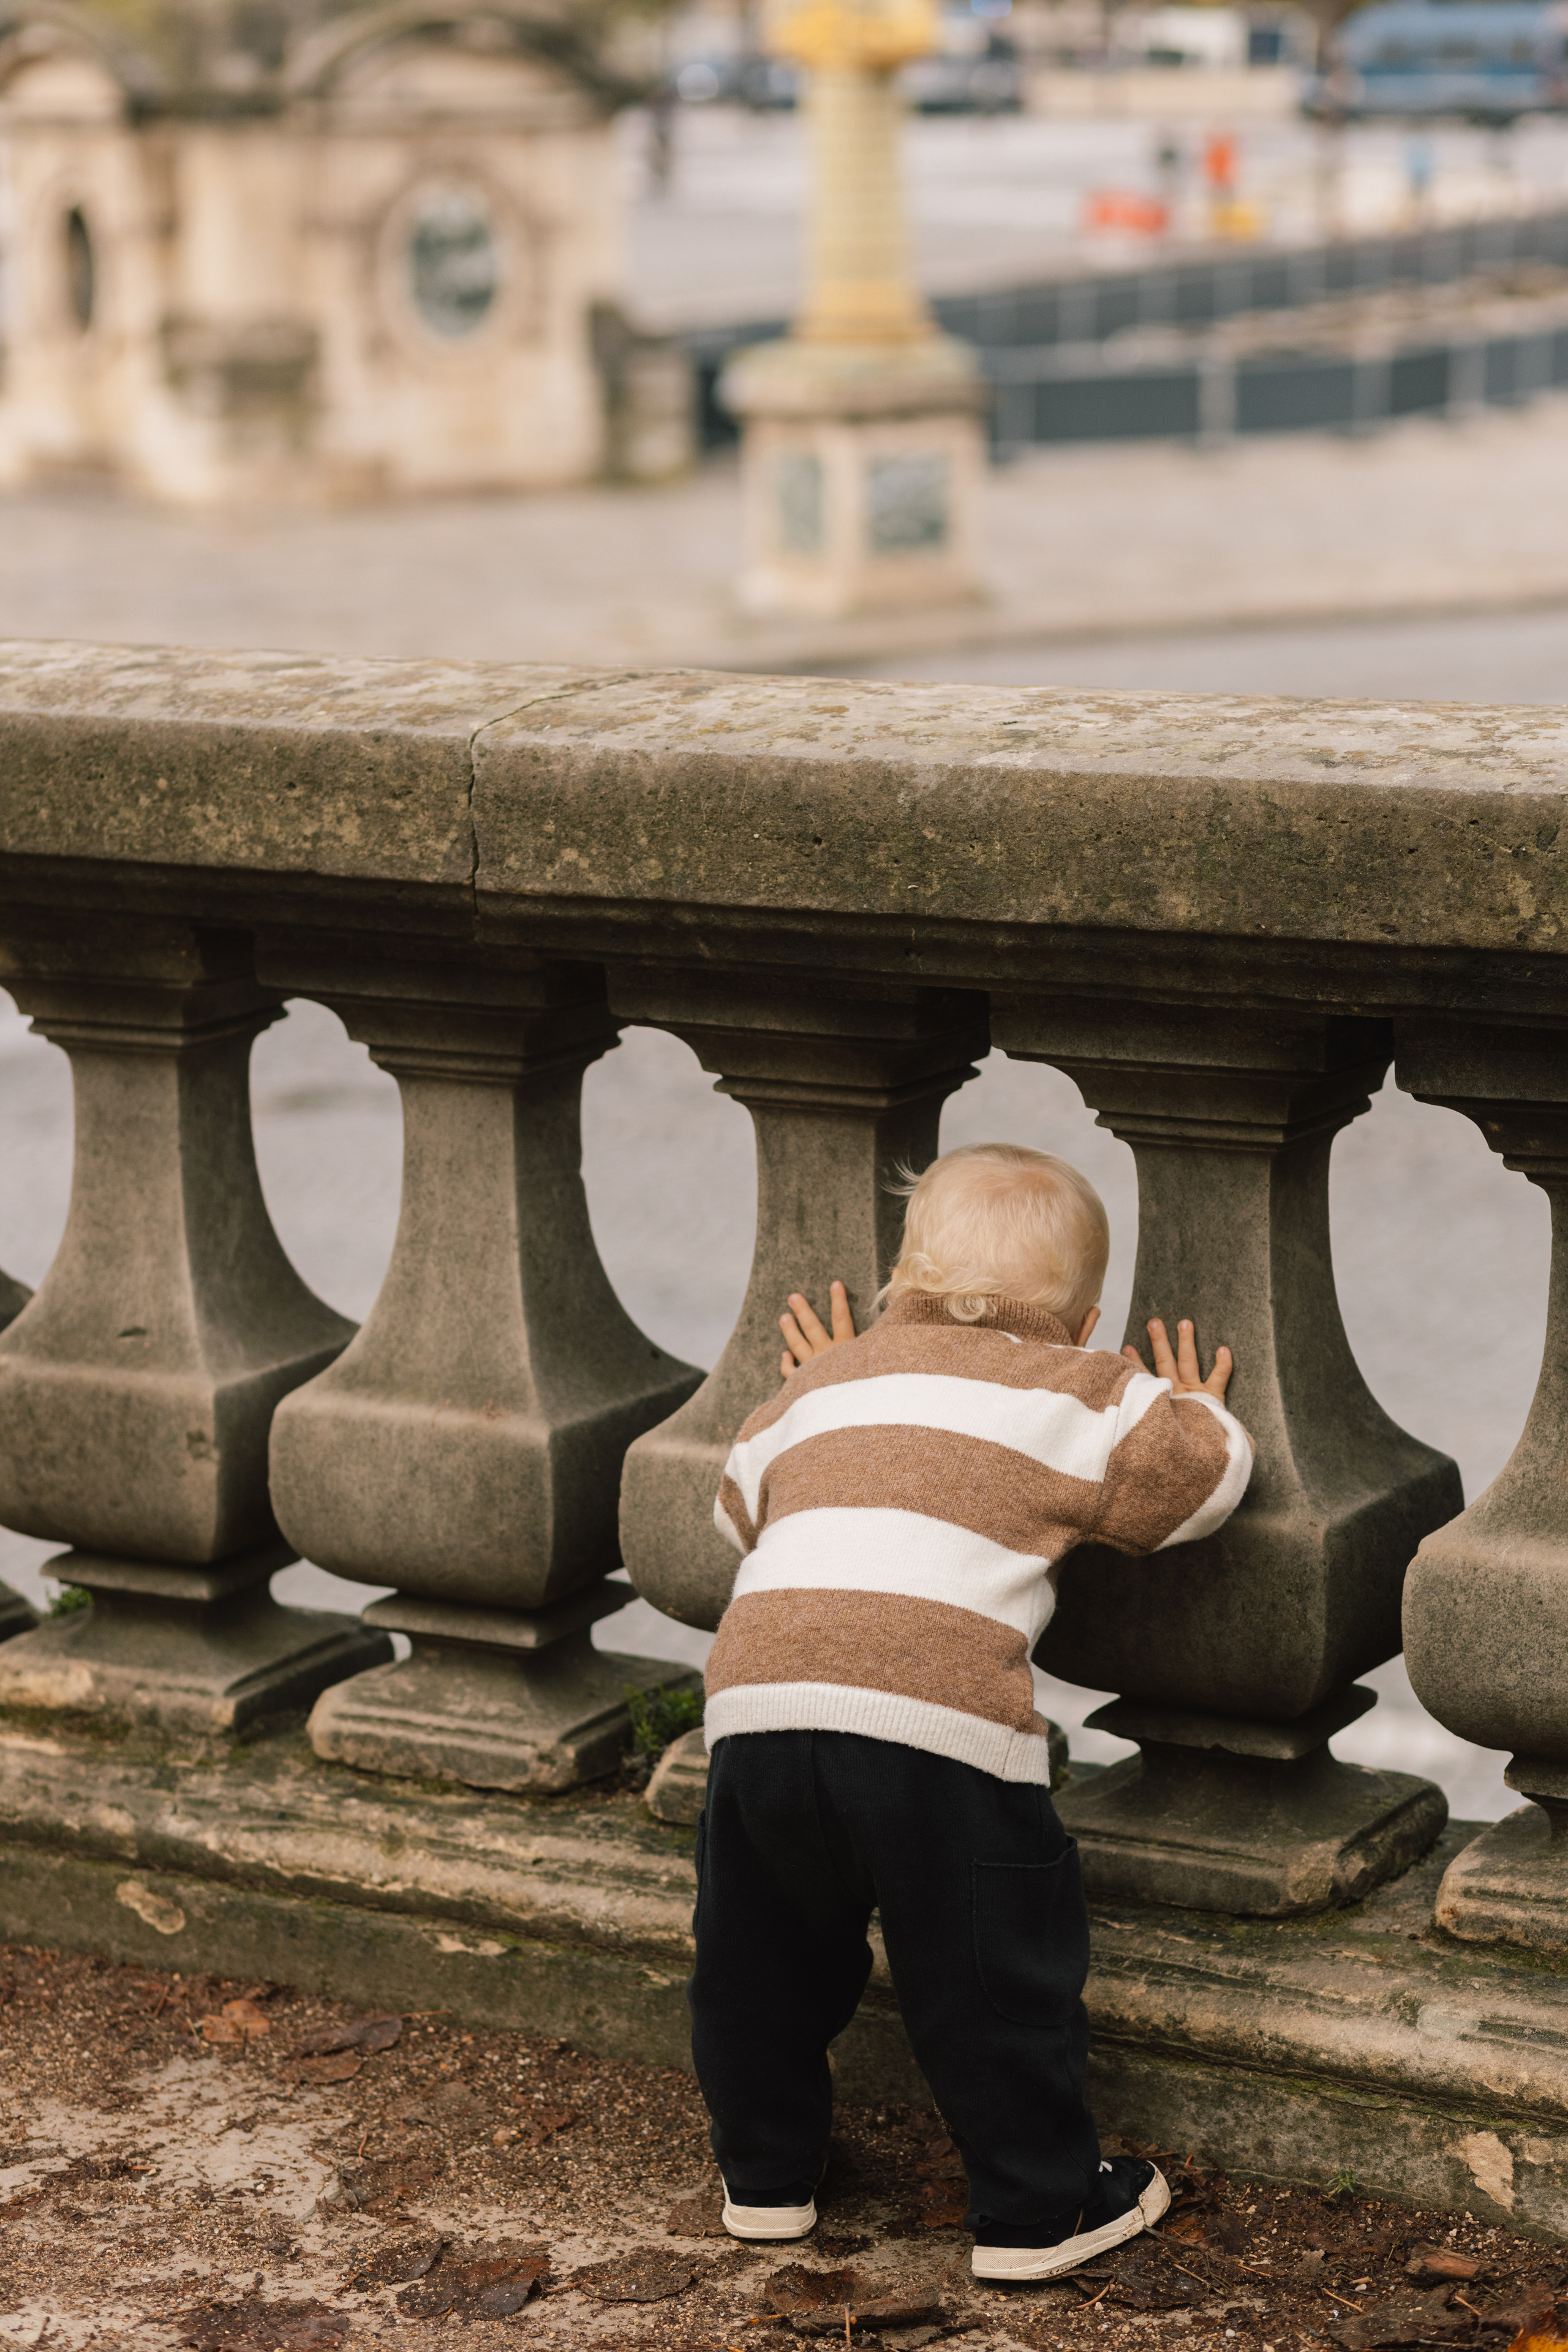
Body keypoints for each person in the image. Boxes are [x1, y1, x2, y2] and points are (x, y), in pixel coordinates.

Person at [687, 1142, 1253, 2283]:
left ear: (903, 1284)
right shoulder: (1082, 1387)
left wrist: (833, 1391)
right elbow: (1196, 1488)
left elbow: (735, 1505)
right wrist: (1194, 1407)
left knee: (758, 1962)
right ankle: (1040, 2211)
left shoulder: (829, 1380)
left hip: (757, 1703)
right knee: (989, 1972)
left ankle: (766, 2178)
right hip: (932, 1729)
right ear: (1087, 1318)